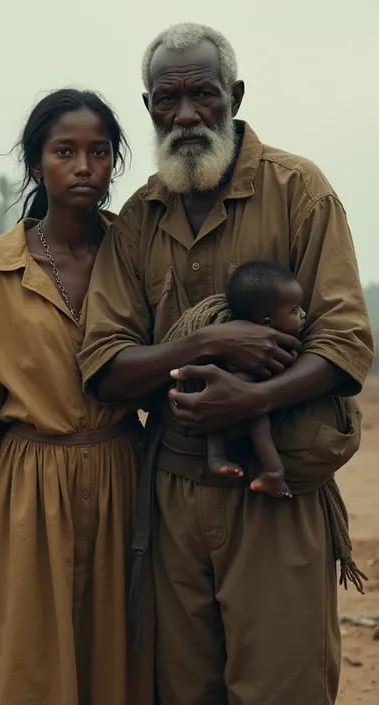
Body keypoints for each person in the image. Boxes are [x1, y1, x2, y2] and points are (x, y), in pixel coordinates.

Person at [78, 22, 373, 705]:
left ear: (234, 95)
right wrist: (207, 344)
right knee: (183, 691)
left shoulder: (300, 190)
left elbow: (346, 342)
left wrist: (249, 403)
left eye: (203, 94)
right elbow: (106, 366)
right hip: (173, 495)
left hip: (276, 490)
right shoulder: (139, 220)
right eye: (167, 98)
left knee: (282, 687)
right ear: (148, 105)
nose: (185, 114)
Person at [0, 88, 154, 705]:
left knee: (123, 671)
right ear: (34, 164)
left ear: (113, 163)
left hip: (123, 485)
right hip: (29, 495)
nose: (84, 166)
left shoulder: (136, 259)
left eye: (100, 152)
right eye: (65, 151)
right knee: (32, 672)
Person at [168, 259, 306, 498]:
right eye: (294, 311)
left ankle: (216, 458)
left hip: (222, 399)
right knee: (258, 423)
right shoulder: (262, 343)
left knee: (216, 420)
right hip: (239, 394)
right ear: (266, 322)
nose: (304, 314)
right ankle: (273, 471)